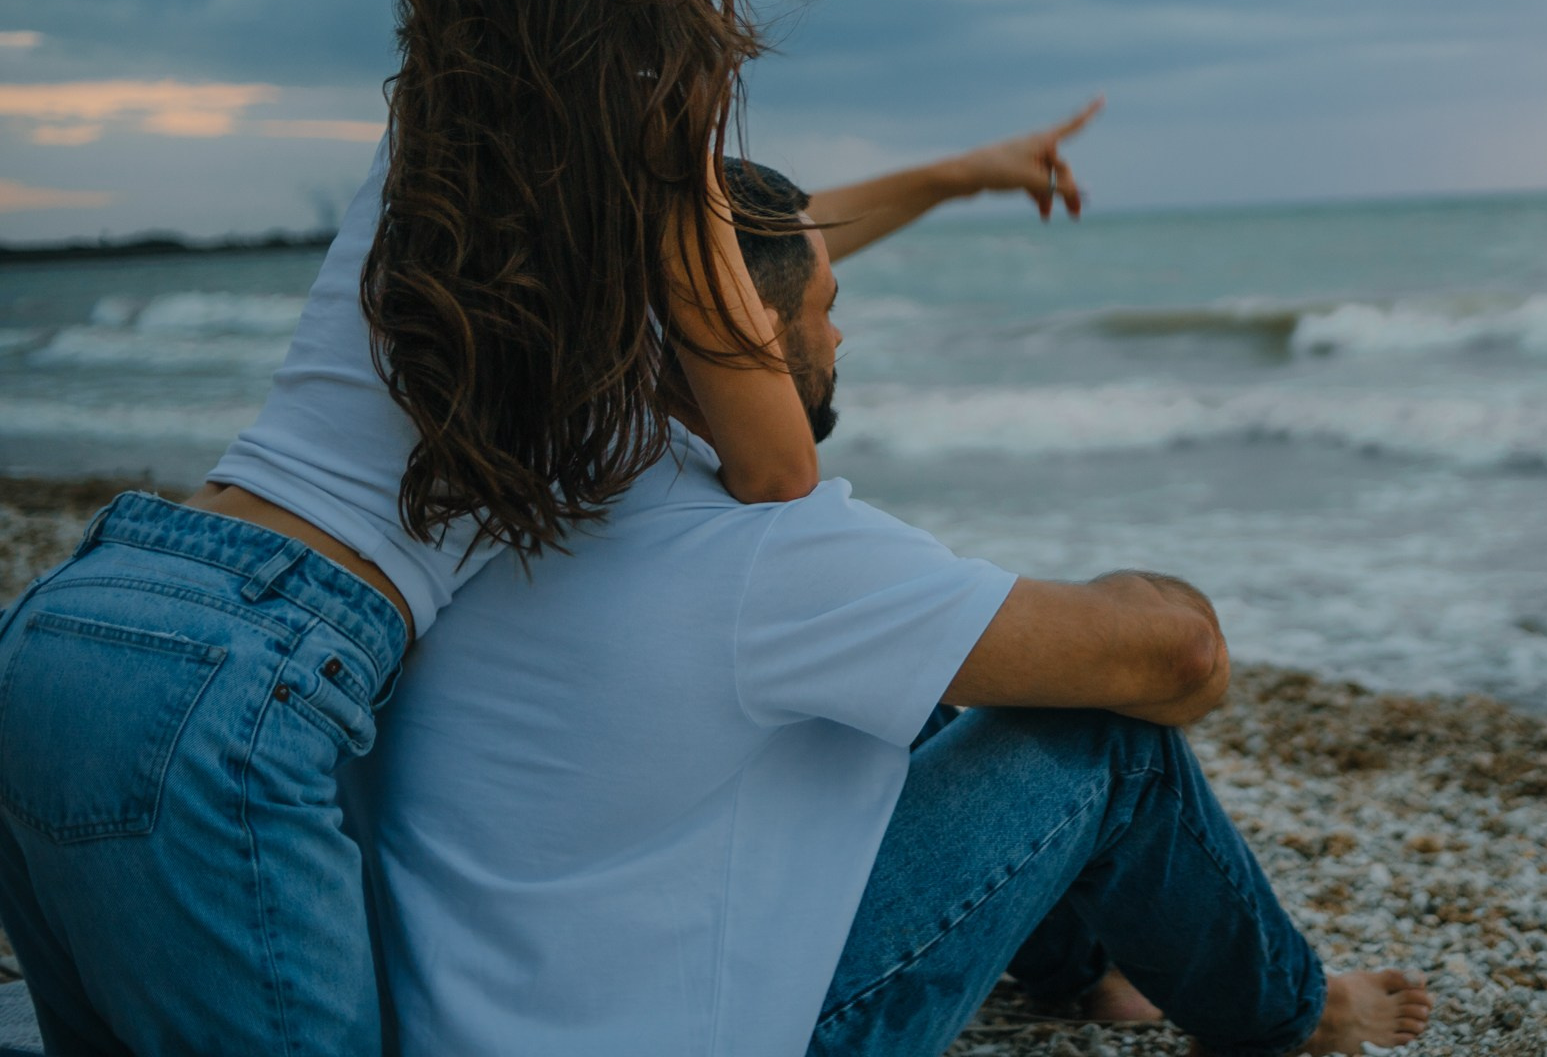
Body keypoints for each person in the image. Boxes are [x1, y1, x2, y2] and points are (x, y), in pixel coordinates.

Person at [0, 0, 1099, 1057]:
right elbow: (780, 461)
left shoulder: (430, 144)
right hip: (261, 674)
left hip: (89, 618)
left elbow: (758, 256)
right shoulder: (653, 162)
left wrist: (961, 174)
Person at [354, 161, 1437, 1057]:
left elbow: (762, 259)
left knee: (902, 690)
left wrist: (962, 173)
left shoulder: (513, 478)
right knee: (1104, 738)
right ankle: (1297, 1016)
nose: (839, 336)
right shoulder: (761, 548)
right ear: (746, 335)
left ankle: (1081, 962)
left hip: (489, 1009)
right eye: (829, 309)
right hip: (708, 1032)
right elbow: (1181, 662)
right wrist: (1155, 594)